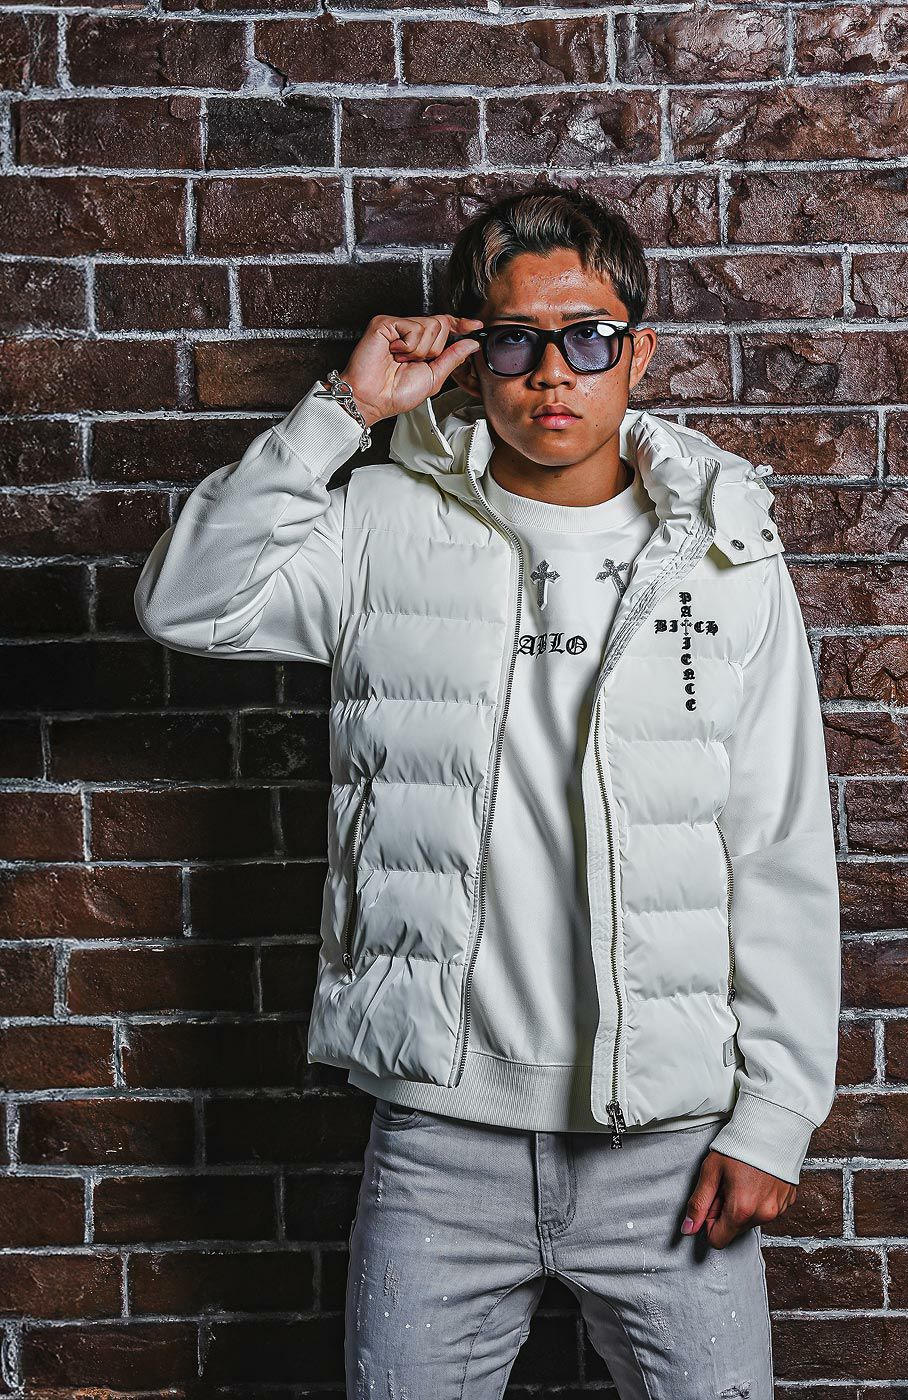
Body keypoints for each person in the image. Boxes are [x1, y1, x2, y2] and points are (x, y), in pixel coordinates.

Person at [134, 188, 841, 1399]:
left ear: (637, 352)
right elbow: (185, 601)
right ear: (472, 353)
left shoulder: (726, 553)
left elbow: (778, 840)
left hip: (669, 1141)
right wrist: (345, 410)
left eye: (588, 338)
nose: (551, 372)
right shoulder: (377, 524)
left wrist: (774, 1113)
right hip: (439, 1138)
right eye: (515, 340)